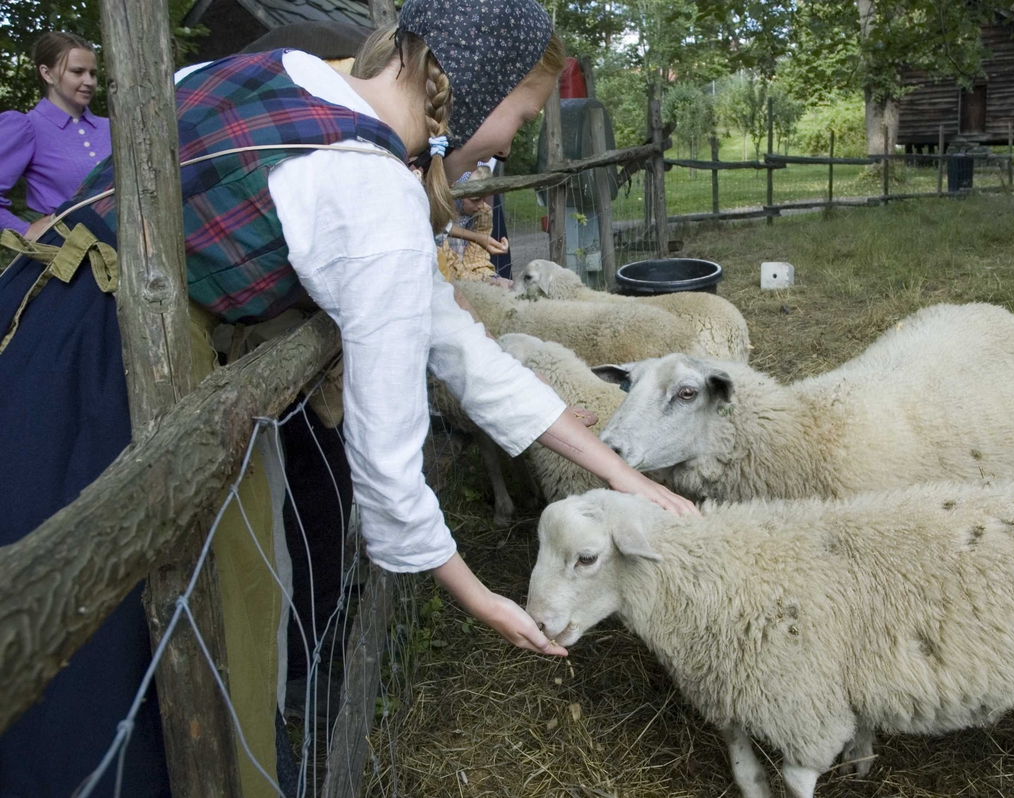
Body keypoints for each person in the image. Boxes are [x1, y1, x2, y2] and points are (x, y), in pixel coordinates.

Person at [0, 0, 695, 793]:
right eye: (522, 116)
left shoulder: (265, 74)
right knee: (90, 654)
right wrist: (482, 599)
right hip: (108, 387)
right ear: (480, 88)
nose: (511, 142)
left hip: (29, 325)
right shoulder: (371, 192)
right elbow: (389, 458)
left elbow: (465, 355)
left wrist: (624, 475)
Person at [0, 32, 110, 240]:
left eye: (93, 73)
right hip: (69, 257)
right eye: (77, 72)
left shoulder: (112, 128)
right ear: (47, 74)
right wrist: (25, 231)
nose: (89, 81)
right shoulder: (27, 127)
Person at [439, 163, 511, 283]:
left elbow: (477, 261)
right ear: (459, 193)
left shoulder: (482, 214)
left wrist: (494, 279)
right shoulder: (441, 217)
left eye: (484, 198)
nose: (481, 205)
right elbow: (450, 270)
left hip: (469, 281)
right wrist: (486, 281)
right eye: (475, 199)